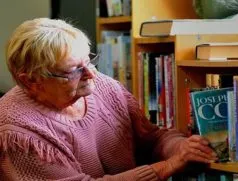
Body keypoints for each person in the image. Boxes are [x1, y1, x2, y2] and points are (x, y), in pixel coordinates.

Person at [0, 18, 217, 181]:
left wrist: (181, 147)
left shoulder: (105, 87)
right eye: (74, 70)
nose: (92, 74)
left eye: (89, 61)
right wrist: (167, 166)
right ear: (30, 81)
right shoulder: (17, 133)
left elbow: (150, 139)